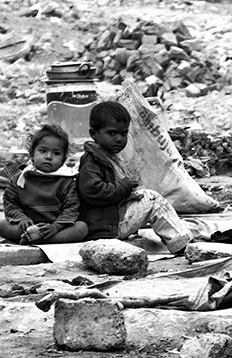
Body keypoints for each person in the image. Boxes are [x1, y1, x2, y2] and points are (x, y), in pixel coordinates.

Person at [77, 100, 191, 254]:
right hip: (105, 227)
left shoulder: (108, 156)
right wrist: (125, 186)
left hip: (111, 221)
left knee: (146, 197)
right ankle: (182, 245)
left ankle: (181, 239)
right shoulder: (92, 160)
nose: (119, 139)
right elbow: (92, 191)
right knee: (153, 200)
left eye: (123, 134)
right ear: (93, 134)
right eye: (112, 133)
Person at [0, 123, 88, 245]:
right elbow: (10, 203)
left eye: (56, 153)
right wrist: (21, 219)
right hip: (28, 226)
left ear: (63, 159)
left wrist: (56, 227)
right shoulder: (21, 179)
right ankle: (32, 236)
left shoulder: (68, 181)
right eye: (43, 151)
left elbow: (72, 208)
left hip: (55, 228)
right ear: (32, 154)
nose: (49, 157)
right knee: (0, 225)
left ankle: (40, 239)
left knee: (81, 228)